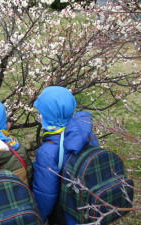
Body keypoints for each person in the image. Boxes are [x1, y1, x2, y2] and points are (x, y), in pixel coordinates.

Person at [32, 86, 100, 225]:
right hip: (91, 206)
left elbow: (45, 194)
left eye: (41, 113)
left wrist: (40, 218)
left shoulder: (48, 151)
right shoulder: (87, 135)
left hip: (66, 215)